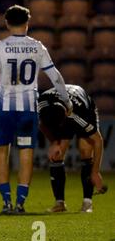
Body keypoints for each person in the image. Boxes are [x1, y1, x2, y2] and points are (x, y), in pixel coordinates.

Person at [0, 5, 72, 214]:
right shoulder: (37, 47)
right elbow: (55, 76)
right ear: (27, 23)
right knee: (26, 153)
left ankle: (6, 202)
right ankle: (21, 203)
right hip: (28, 110)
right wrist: (66, 101)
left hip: (4, 109)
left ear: (6, 23)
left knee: (2, 152)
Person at [38, 84, 108, 213]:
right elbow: (42, 125)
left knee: (85, 151)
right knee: (56, 156)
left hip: (83, 107)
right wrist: (54, 142)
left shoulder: (78, 114)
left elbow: (98, 141)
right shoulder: (42, 105)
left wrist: (95, 171)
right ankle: (60, 203)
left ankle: (87, 203)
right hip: (60, 106)